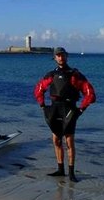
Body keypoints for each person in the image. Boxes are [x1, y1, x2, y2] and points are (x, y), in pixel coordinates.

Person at [34, 47, 96, 182]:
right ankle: (60, 169)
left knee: (69, 141)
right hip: (55, 108)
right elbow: (39, 89)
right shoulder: (51, 75)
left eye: (63, 55)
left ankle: (72, 172)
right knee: (56, 140)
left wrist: (81, 110)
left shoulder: (74, 75)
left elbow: (89, 93)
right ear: (55, 58)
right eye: (58, 55)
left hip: (69, 108)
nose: (61, 58)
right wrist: (43, 106)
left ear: (67, 57)